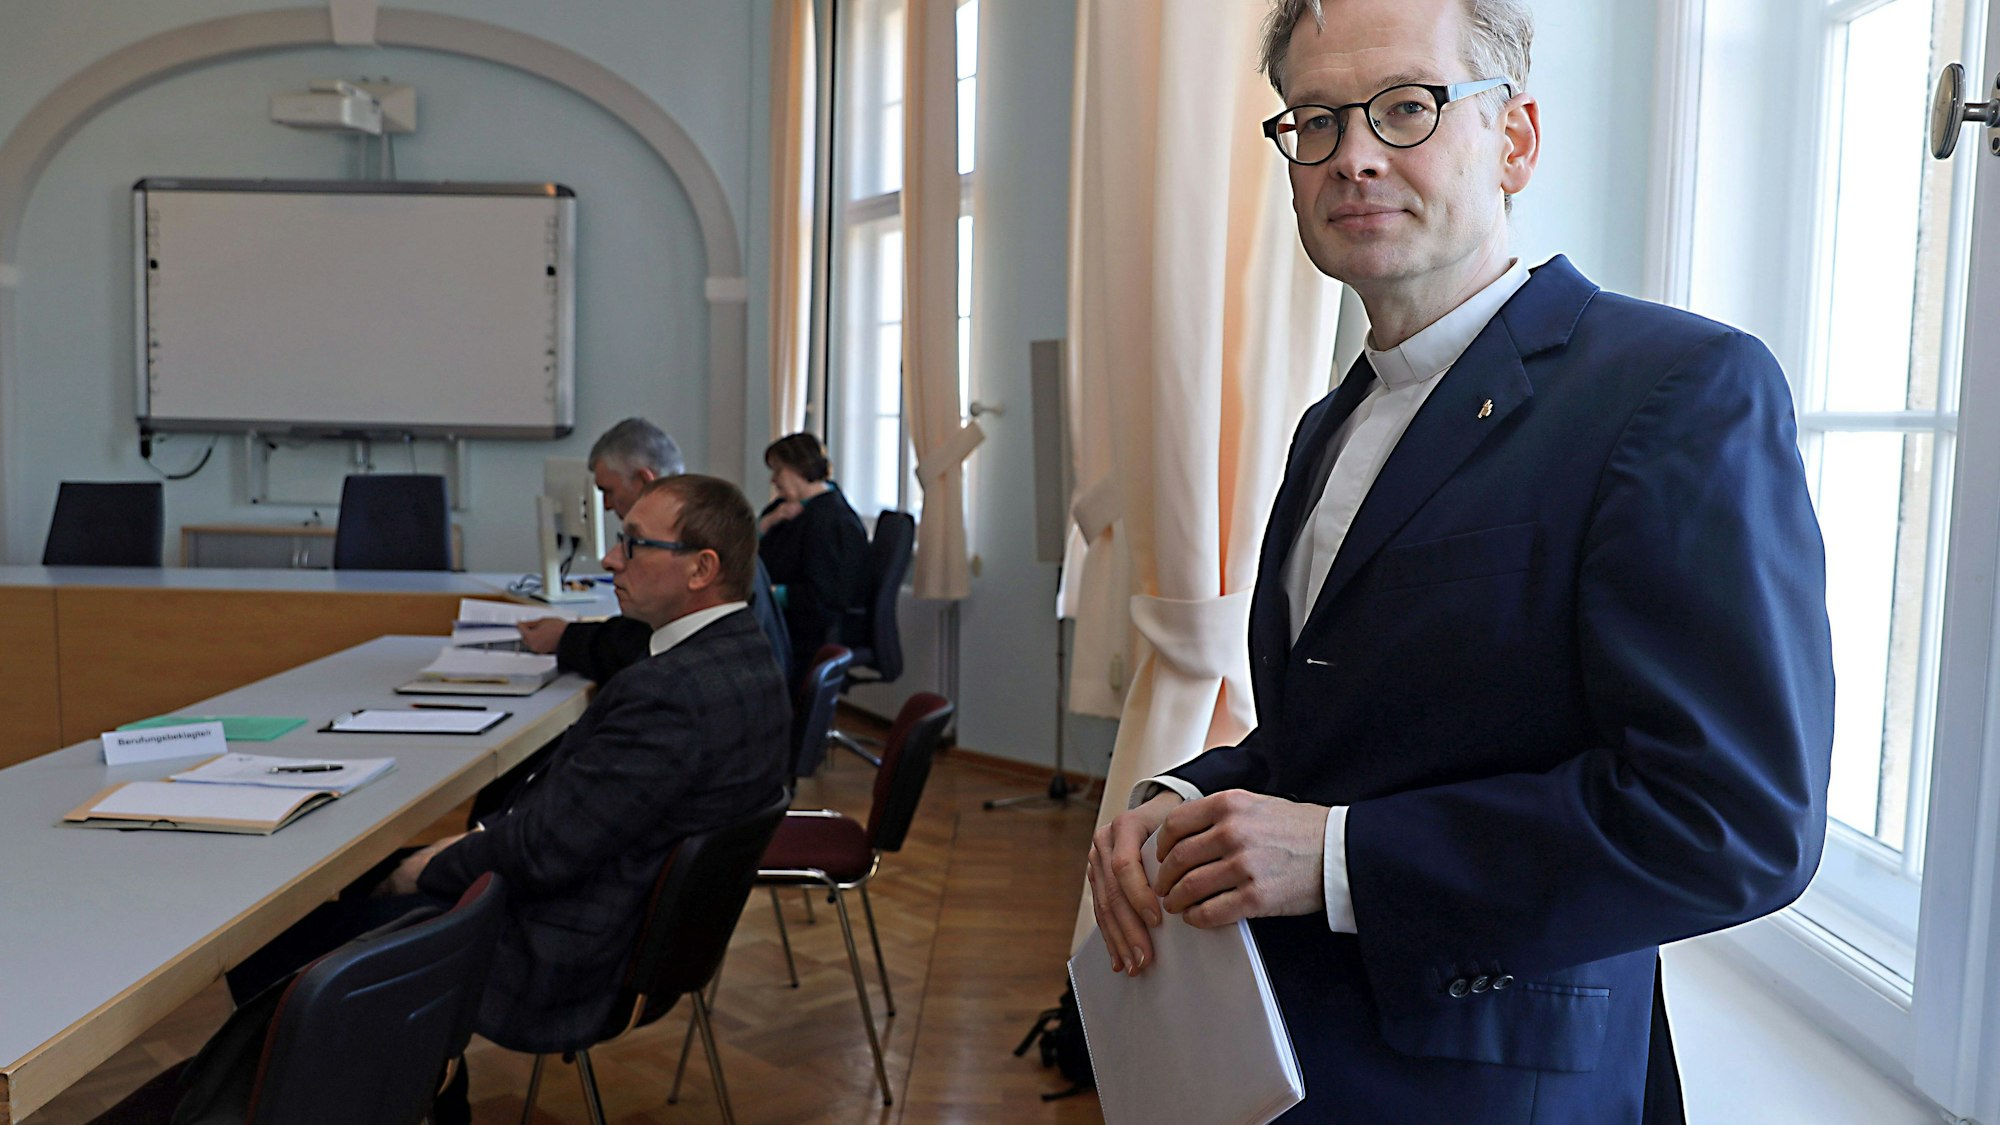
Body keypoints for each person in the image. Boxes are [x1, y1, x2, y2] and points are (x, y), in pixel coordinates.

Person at [1085, 1, 1835, 1121]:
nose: (1352, 158)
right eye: (1316, 121)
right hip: (1288, 1055)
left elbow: (1732, 822)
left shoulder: (1676, 390)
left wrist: (1342, 859)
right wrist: (1180, 801)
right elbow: (1333, 748)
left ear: (1514, 139)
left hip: (1498, 1078)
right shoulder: (1324, 426)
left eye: (1405, 109)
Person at [221, 474, 791, 1123]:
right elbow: (571, 827)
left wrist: (431, 865)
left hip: (567, 949)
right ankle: (418, 1081)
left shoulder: (671, 692)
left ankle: (379, 1091)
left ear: (702, 568)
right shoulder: (745, 658)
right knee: (348, 891)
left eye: (633, 544)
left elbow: (547, 851)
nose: (610, 558)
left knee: (272, 940)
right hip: (623, 923)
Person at [517, 416, 791, 683]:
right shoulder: (718, 532)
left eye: (609, 491)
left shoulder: (697, 545)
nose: (607, 506)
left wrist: (567, 639)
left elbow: (638, 645)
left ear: (644, 480)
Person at [757, 433, 869, 684]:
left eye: (778, 471)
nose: (773, 480)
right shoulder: (785, 509)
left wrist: (769, 593)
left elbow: (823, 597)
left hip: (805, 630)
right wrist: (766, 524)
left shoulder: (832, 521)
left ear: (799, 468)